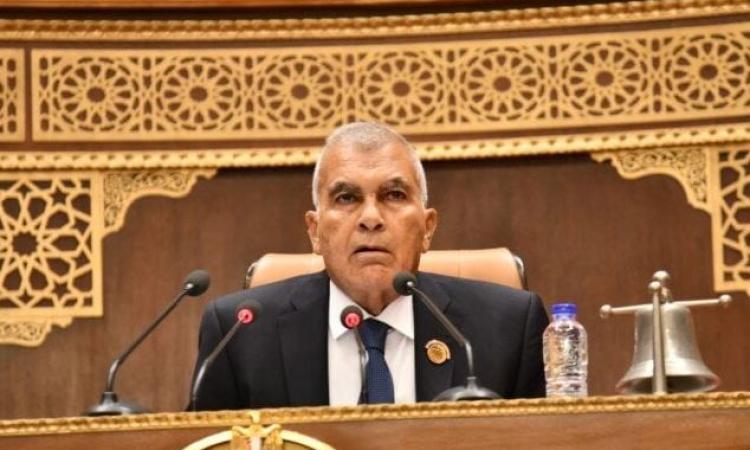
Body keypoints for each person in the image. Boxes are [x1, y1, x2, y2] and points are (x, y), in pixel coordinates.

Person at [191, 122, 548, 410]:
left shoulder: (509, 327)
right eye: (347, 198)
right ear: (315, 231)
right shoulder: (238, 336)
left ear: (427, 228)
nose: (371, 218)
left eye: (394, 195)